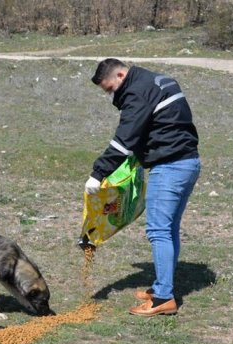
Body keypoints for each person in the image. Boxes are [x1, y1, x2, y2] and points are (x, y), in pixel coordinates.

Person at [85, 58, 201, 317]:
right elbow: (157, 127)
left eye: (110, 89)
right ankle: (163, 286)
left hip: (170, 166)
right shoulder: (156, 80)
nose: (111, 95)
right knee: (169, 229)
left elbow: (124, 140)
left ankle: (162, 298)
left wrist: (97, 174)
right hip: (188, 162)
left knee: (159, 231)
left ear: (121, 75)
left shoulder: (137, 92)